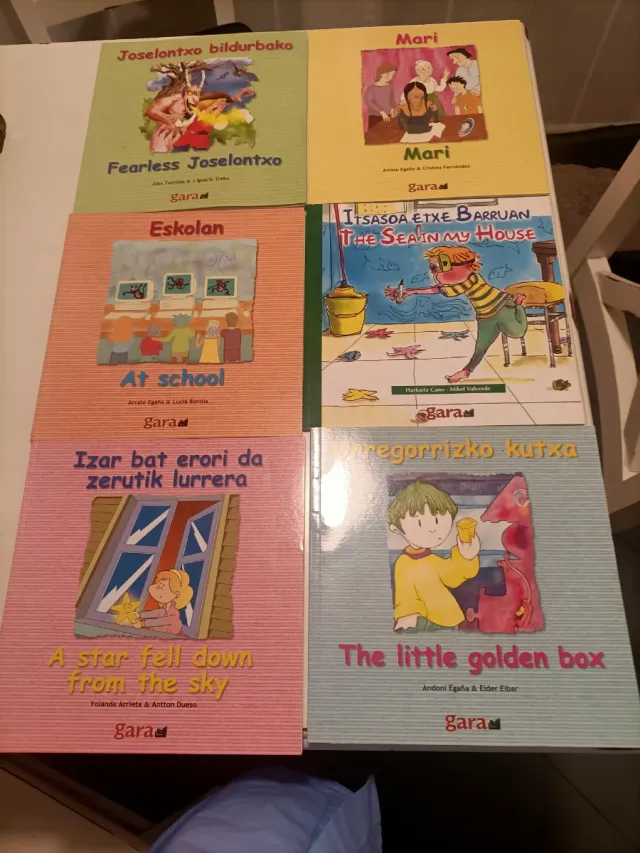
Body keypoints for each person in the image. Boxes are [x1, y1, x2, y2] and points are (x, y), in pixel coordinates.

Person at [385, 245, 527, 383]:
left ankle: (518, 305)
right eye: (432, 268)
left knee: (517, 332)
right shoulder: (461, 281)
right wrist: (409, 292)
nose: (434, 274)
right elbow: (438, 289)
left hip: (502, 306)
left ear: (461, 265)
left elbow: (446, 290)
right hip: (485, 315)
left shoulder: (472, 279)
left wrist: (412, 292)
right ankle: (466, 371)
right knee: (481, 346)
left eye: (437, 267)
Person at [389, 480, 480, 630]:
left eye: (437, 520)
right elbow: (405, 596)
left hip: (449, 620)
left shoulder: (431, 559)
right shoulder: (403, 564)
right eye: (419, 523)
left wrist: (466, 556)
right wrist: (407, 615)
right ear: (396, 529)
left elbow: (452, 577)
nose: (432, 529)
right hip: (423, 622)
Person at [133, 569, 193, 636]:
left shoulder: (174, 616)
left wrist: (142, 624)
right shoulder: (164, 611)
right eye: (158, 585)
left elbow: (160, 621)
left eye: (162, 587)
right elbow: (154, 613)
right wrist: (137, 615)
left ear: (176, 594)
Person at [364, 63, 397, 129]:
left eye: (392, 75)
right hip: (375, 116)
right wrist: (382, 112)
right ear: (381, 74)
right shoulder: (371, 88)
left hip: (389, 116)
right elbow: (369, 102)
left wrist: (393, 110)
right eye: (388, 74)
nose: (390, 77)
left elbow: (392, 101)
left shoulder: (390, 87)